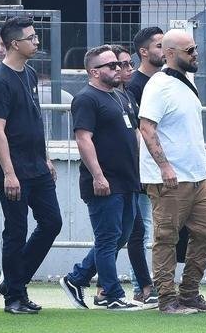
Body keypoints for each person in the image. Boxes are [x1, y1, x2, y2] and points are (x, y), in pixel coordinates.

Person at [138, 28, 206, 314]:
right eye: (190, 51)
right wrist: (164, 167)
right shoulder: (159, 85)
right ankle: (166, 298)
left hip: (197, 176)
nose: (196, 54)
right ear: (170, 54)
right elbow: (146, 128)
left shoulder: (186, 81)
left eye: (195, 49)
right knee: (166, 238)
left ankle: (189, 292)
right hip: (171, 179)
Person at [0, 15, 62, 314]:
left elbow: (33, 122)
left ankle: (14, 281)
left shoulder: (28, 74)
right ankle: (14, 297)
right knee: (15, 230)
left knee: (52, 222)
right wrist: (9, 174)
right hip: (13, 170)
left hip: (36, 165)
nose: (37, 41)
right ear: (14, 44)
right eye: (31, 38)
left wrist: (45, 157)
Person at [59, 47, 146, 311]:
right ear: (94, 71)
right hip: (105, 181)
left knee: (121, 237)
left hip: (128, 179)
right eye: (110, 66)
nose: (118, 69)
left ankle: (77, 278)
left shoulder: (122, 96)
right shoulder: (86, 99)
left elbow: (136, 133)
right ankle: (112, 293)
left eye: (119, 65)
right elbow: (83, 138)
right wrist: (98, 175)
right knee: (108, 239)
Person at [123, 26, 166, 306]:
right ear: (144, 52)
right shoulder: (136, 85)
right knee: (138, 228)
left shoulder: (164, 81)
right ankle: (142, 285)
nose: (164, 51)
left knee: (145, 227)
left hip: (159, 167)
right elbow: (141, 129)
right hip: (142, 168)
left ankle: (147, 284)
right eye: (159, 46)